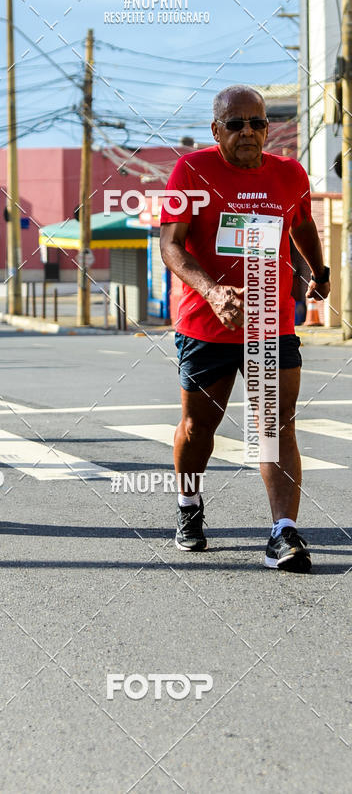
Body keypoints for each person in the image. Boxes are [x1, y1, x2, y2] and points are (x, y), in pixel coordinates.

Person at [160, 85, 330, 574]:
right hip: (205, 324)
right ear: (217, 131)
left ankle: (283, 532)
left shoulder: (289, 174)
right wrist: (213, 292)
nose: (250, 133)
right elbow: (171, 246)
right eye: (236, 124)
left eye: (258, 122)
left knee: (273, 428)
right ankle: (189, 505)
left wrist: (319, 271)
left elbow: (302, 224)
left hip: (269, 320)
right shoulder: (191, 171)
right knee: (198, 428)